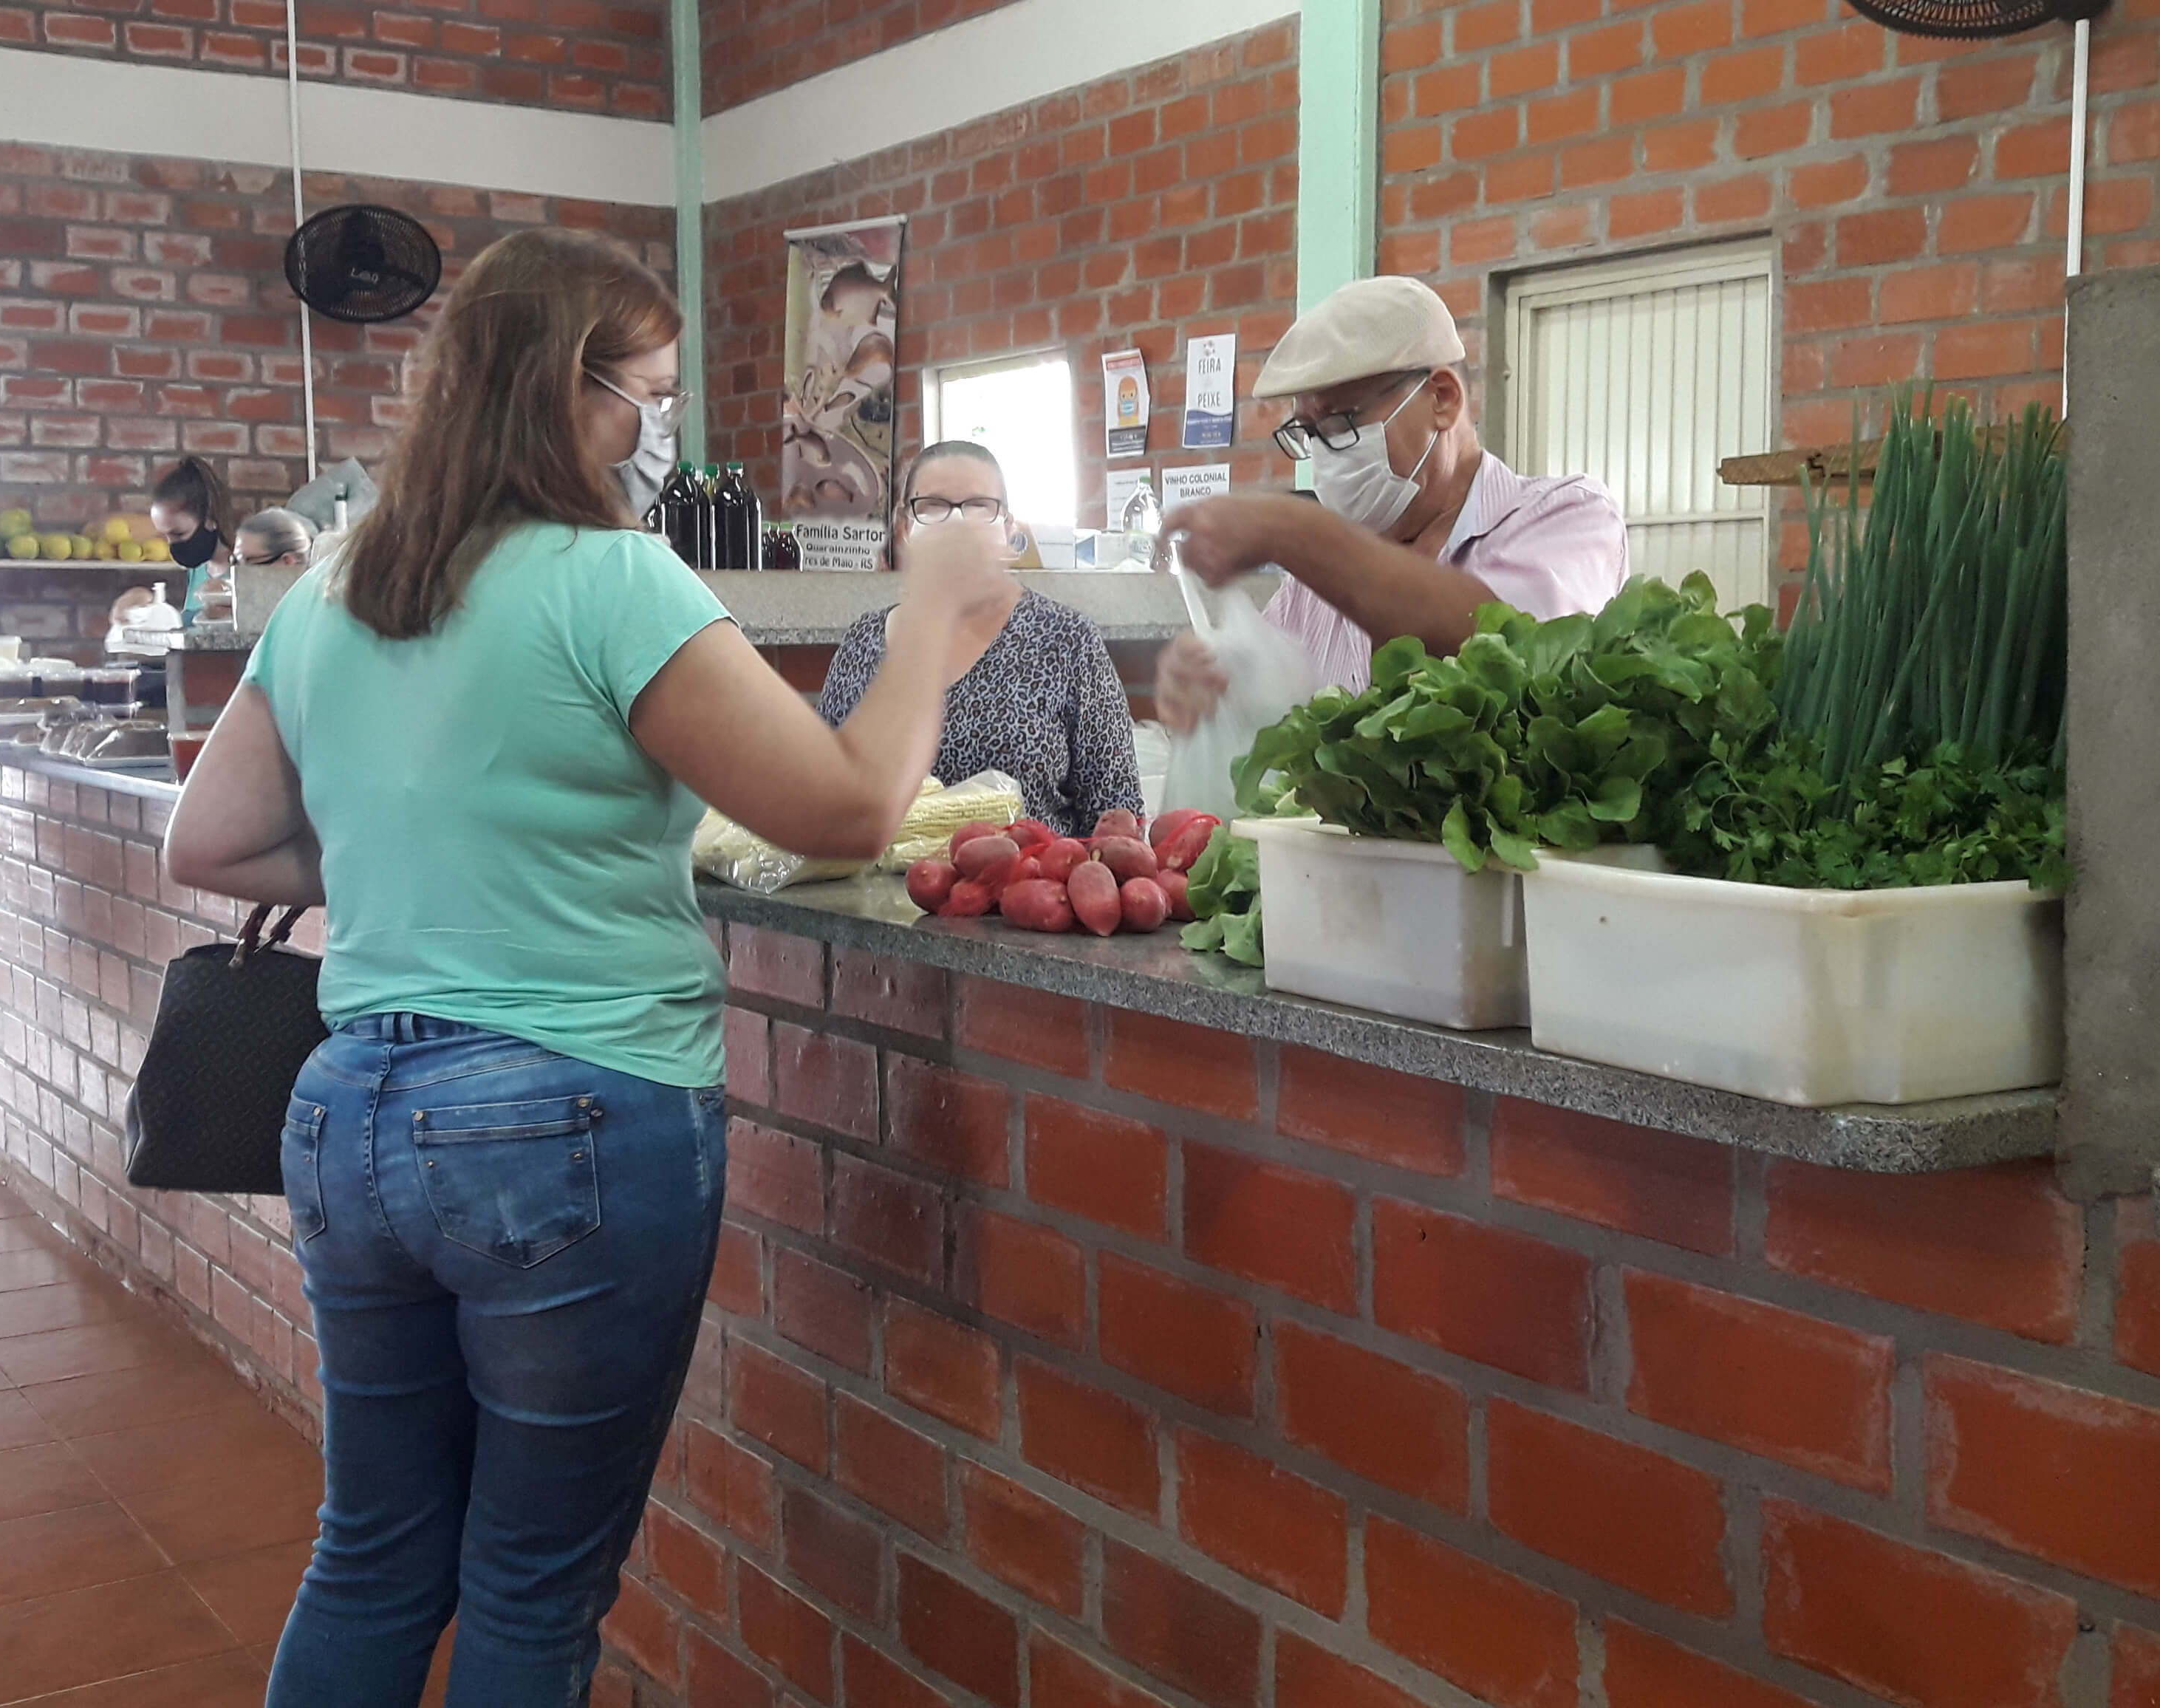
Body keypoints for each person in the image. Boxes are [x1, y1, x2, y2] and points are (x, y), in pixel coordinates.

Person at [161, 227, 1015, 1708]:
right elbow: (844, 810)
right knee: (529, 1583)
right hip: (565, 1114)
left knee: (371, 1555)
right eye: (652, 395)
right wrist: (933, 618)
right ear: (571, 389)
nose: (657, 429)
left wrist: (431, 861)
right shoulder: (614, 578)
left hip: (350, 1109)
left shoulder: (338, 586)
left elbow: (213, 838)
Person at [1156, 275, 1629, 731]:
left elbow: (1515, 645)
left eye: (1340, 423)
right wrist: (1210, 687)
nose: (1323, 453)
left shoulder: (1567, 517)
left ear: (1442, 398)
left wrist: (1291, 530)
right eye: (1309, 432)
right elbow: (1261, 715)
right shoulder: (1311, 589)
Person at [818, 440, 1141, 838]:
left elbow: (1117, 814)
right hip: (871, 879)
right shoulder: (862, 644)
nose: (957, 523)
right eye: (933, 506)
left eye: (978, 505)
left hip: (1028, 877)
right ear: (904, 528)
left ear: (1008, 528)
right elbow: (822, 792)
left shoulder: (1068, 642)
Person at [148, 454, 237, 627]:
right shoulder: (198, 570)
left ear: (209, 517)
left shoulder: (246, 569)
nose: (173, 545)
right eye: (165, 536)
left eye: (179, 534)